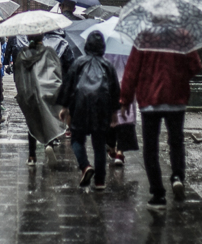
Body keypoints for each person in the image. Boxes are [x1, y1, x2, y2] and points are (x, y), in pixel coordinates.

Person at [119, 43, 202, 210]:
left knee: (150, 148)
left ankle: (158, 195)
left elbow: (131, 70)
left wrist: (125, 100)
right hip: (176, 99)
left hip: (150, 100)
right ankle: (177, 176)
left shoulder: (144, 39)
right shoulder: (181, 36)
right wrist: (179, 77)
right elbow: (195, 66)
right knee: (176, 142)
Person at [55, 31, 119, 190]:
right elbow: (115, 90)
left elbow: (68, 86)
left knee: (77, 139)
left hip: (81, 105)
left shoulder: (78, 63)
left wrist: (65, 107)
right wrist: (114, 113)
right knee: (99, 144)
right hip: (101, 106)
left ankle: (85, 166)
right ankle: (100, 181)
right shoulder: (108, 65)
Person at [14, 33, 66, 168]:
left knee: (32, 122)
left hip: (29, 93)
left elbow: (18, 75)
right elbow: (56, 72)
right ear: (42, 38)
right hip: (46, 91)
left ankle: (31, 156)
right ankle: (49, 144)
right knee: (48, 118)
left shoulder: (22, 55)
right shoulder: (49, 52)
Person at [105, 51, 138, 166]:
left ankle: (112, 148)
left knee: (111, 117)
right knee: (124, 119)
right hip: (125, 84)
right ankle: (120, 152)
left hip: (109, 86)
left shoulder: (106, 47)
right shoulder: (127, 48)